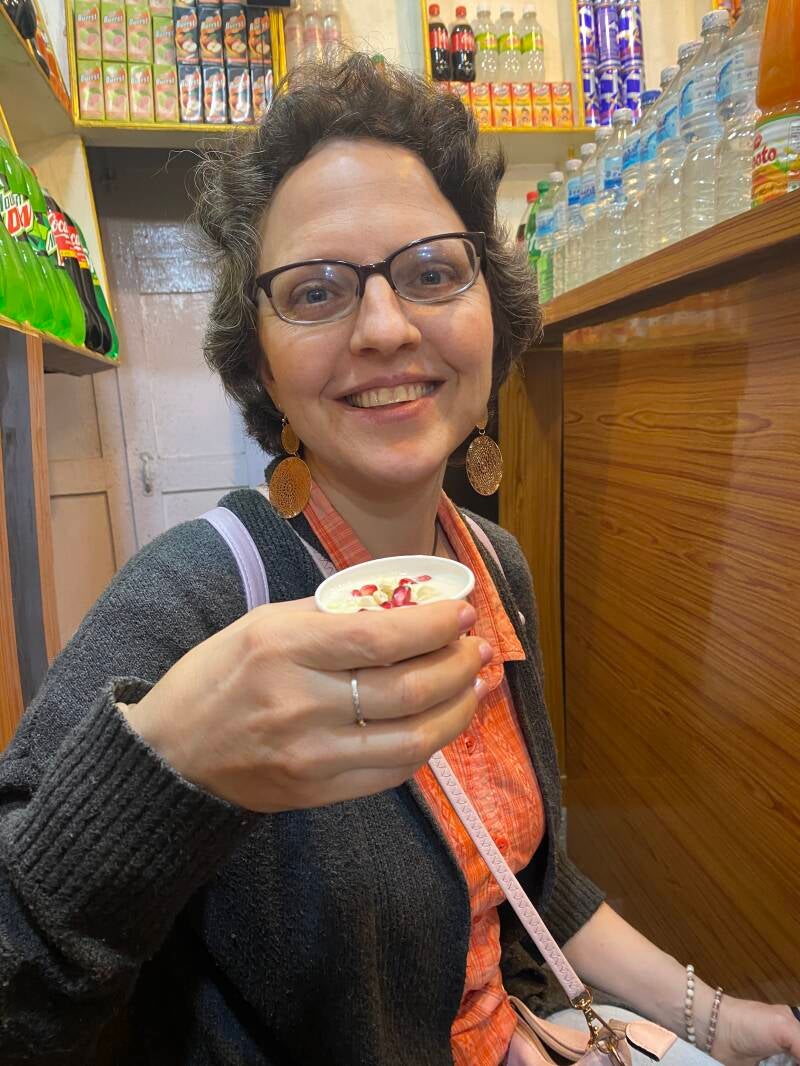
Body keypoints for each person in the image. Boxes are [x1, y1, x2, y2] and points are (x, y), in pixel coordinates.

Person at [0, 54, 797, 1066]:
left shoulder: (494, 564)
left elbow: (529, 878)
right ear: (260, 361)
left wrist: (718, 1020)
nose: (384, 327)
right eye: (316, 290)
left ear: (491, 312)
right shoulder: (199, 595)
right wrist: (169, 761)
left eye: (430, 273)